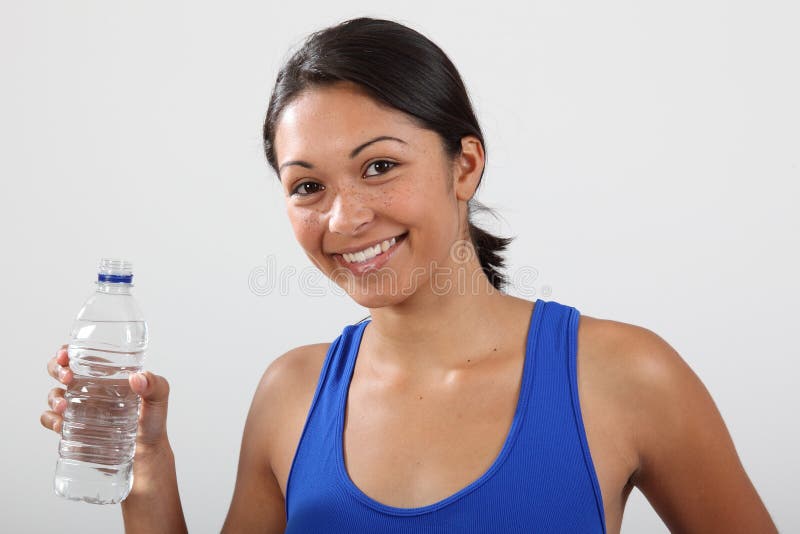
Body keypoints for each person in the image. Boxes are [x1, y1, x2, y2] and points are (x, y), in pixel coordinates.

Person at [42, 17, 777, 534]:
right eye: (307, 187)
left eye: (380, 167)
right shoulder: (289, 395)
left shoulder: (625, 375)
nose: (343, 218)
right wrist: (145, 469)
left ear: (466, 163)